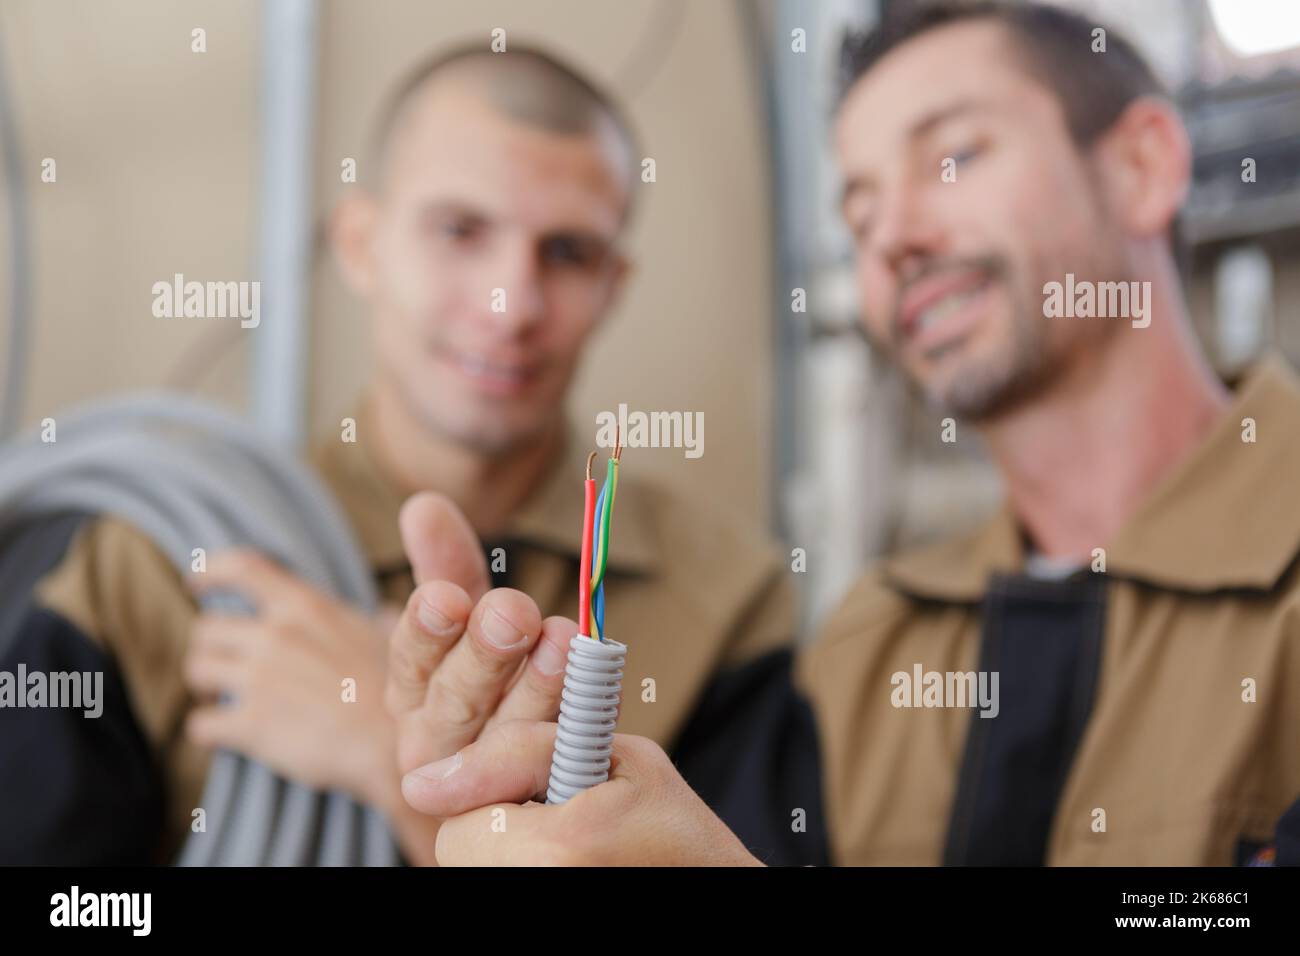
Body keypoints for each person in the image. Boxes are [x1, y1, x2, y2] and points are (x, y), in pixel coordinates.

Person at [393, 1, 1300, 866]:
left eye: (954, 157)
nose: (892, 237)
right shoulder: (865, 651)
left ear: (1143, 166)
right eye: (858, 215)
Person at [0, 45, 799, 865]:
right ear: (360, 243)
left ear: (613, 286)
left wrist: (394, 761)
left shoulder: (730, 604)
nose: (510, 304)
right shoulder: (152, 564)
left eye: (567, 253)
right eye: (460, 230)